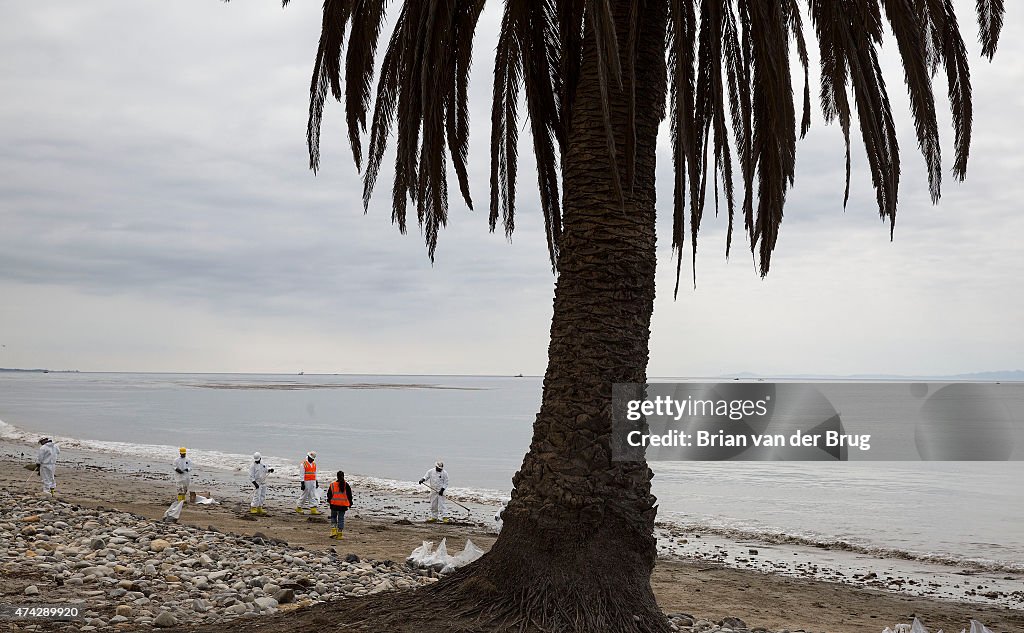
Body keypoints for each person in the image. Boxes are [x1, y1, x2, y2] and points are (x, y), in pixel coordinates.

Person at [326, 470, 354, 539]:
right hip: (343, 506)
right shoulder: (346, 485)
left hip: (334, 505)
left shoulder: (332, 484)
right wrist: (350, 503)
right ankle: (339, 534)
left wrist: (329, 501)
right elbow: (349, 495)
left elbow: (329, 494)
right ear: (343, 476)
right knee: (341, 519)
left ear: (337, 476)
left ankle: (333, 531)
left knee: (333, 517)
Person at [295, 451, 320, 515]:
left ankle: (313, 508)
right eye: (311, 458)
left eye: (313, 459)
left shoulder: (314, 464)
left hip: (313, 481)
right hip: (306, 481)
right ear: (308, 457)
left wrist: (316, 481)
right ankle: (299, 507)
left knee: (312, 494)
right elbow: (302, 474)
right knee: (304, 494)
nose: (312, 460)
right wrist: (302, 483)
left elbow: (315, 473)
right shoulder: (303, 464)